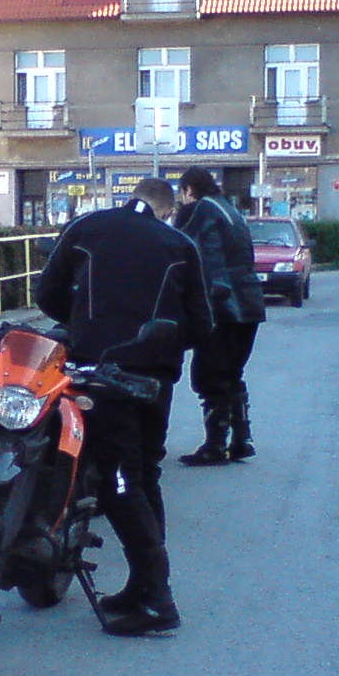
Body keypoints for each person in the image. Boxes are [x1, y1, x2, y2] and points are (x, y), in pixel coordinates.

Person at [36, 176, 212, 637]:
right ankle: (143, 585)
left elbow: (47, 293)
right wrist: (159, 347)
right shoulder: (180, 244)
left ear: (131, 198)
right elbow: (201, 324)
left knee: (119, 481)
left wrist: (84, 325)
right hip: (154, 380)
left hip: (100, 372)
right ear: (167, 210)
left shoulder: (87, 227)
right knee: (143, 476)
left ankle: (158, 600)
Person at [171, 168, 265, 465]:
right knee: (231, 373)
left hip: (220, 305)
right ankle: (241, 439)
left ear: (188, 190)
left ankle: (215, 445)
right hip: (249, 303)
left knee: (209, 376)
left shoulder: (197, 211)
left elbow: (179, 251)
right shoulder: (231, 211)